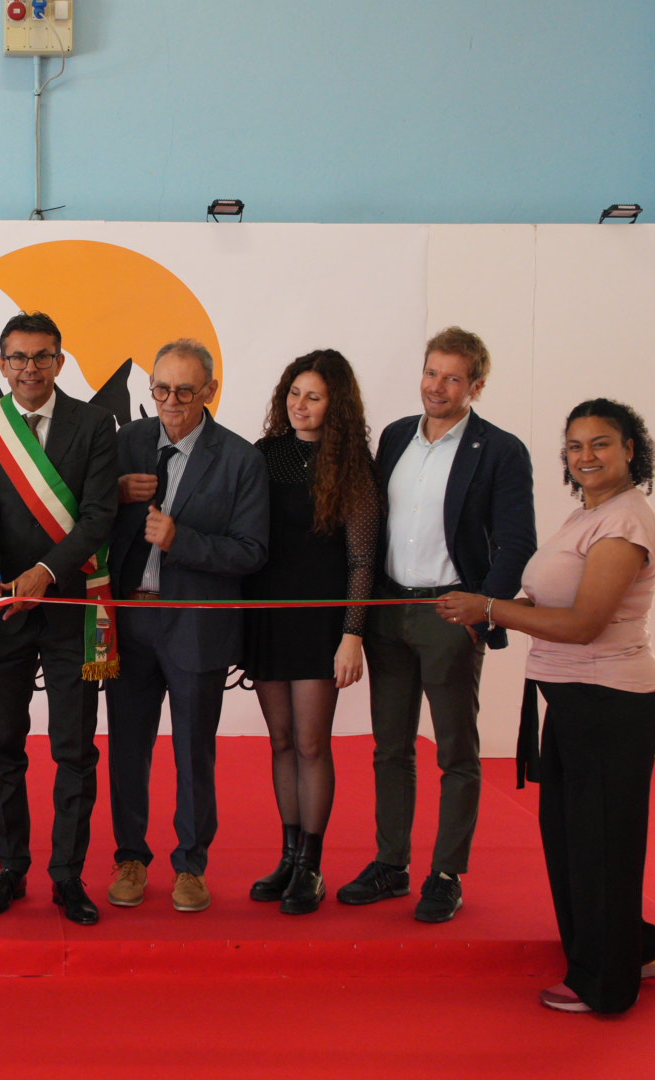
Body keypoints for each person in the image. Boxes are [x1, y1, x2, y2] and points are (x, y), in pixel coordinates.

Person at [436, 399, 655, 1014]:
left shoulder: (625, 522)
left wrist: (490, 608)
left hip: (610, 700)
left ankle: (605, 984)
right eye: (575, 445)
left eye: (601, 443)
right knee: (578, 843)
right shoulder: (587, 514)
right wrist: (486, 606)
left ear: (630, 450)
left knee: (598, 848)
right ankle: (641, 948)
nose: (586, 456)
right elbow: (553, 603)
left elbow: (584, 624)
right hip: (577, 700)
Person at [340, 326, 534, 923]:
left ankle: (447, 873)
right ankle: (391, 863)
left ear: (476, 386)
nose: (438, 387)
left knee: (456, 751)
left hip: (451, 614)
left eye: (453, 378)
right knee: (390, 747)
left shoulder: (500, 450)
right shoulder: (396, 436)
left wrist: (484, 608)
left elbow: (516, 541)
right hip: (389, 610)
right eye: (431, 373)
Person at [0, 312, 118, 925]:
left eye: (43, 356)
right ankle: (10, 868)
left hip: (69, 608)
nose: (31, 368)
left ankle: (68, 876)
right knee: (3, 746)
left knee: (74, 750)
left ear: (60, 360)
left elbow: (99, 516)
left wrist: (46, 573)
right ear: (2, 364)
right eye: (19, 357)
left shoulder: (94, 422)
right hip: (2, 608)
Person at [105, 338, 268, 913]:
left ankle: (191, 865)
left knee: (193, 751)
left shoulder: (241, 459)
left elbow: (252, 551)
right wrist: (115, 494)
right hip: (130, 622)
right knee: (127, 748)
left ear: (210, 392)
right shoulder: (126, 442)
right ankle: (130, 856)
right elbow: (88, 519)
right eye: (161, 389)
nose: (170, 402)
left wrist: (183, 540)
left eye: (184, 391)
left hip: (196, 626)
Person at [243, 350, 379, 915]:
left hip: (321, 620)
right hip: (268, 615)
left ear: (336, 405)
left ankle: (312, 866)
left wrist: (353, 634)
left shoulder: (352, 465)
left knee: (310, 743)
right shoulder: (264, 454)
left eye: (314, 396)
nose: (300, 405)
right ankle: (289, 856)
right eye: (294, 393)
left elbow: (362, 560)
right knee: (279, 742)